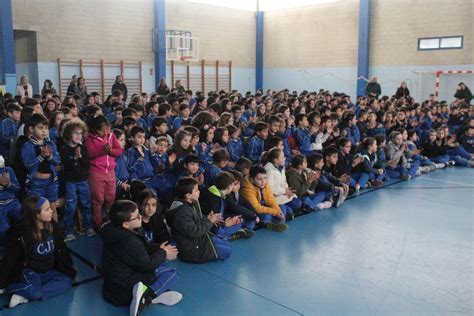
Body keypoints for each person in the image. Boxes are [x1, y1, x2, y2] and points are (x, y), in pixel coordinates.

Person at [100, 200, 181, 316]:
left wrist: (160, 248)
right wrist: (163, 253)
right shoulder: (129, 240)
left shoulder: (114, 231)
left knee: (161, 266)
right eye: (137, 216)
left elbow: (143, 247)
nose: (140, 217)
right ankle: (146, 297)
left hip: (113, 287)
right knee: (173, 274)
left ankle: (148, 295)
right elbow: (146, 266)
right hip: (123, 290)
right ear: (126, 224)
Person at [0, 196, 76, 308]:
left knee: (67, 281)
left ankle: (26, 294)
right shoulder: (24, 234)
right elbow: (11, 260)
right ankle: (15, 288)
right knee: (34, 288)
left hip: (48, 271)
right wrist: (3, 282)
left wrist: (69, 267)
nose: (52, 211)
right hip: (30, 272)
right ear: (36, 215)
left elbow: (62, 249)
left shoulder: (52, 226)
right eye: (47, 209)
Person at [166, 177, 231, 263]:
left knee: (227, 245)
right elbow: (194, 231)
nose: (199, 192)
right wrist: (210, 221)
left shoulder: (188, 204)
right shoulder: (182, 211)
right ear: (188, 195)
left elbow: (195, 219)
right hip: (192, 248)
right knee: (227, 251)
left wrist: (207, 218)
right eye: (196, 190)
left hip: (197, 240)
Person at [84, 115, 123, 230]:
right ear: (95, 130)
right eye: (102, 130)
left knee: (111, 198)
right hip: (96, 173)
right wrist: (102, 150)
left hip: (110, 172)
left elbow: (119, 151)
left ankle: (110, 221)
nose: (106, 132)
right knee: (97, 200)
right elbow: (89, 154)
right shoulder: (89, 139)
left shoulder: (112, 136)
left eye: (108, 129)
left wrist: (110, 150)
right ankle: (97, 224)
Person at [59, 119, 95, 241]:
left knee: (86, 204)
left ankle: (88, 227)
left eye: (80, 133)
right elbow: (67, 166)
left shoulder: (83, 148)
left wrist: (80, 158)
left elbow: (86, 164)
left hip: (83, 180)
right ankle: (68, 231)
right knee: (71, 207)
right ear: (69, 134)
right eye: (75, 133)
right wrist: (75, 158)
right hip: (71, 182)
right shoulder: (64, 149)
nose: (78, 136)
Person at [21, 113, 61, 221]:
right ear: (31, 128)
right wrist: (41, 156)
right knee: (38, 211)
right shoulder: (27, 146)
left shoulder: (51, 144)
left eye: (46, 128)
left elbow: (57, 161)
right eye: (40, 128)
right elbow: (28, 166)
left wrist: (49, 156)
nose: (44, 131)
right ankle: (41, 235)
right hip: (36, 184)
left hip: (52, 182)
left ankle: (56, 234)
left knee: (52, 208)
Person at [240, 166, 288, 232]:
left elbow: (270, 199)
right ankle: (270, 223)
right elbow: (256, 208)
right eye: (259, 179)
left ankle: (270, 223)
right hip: (253, 210)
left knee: (282, 207)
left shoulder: (264, 183)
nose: (263, 181)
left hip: (263, 206)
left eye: (265, 178)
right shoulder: (246, 188)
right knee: (266, 216)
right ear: (252, 180)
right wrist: (275, 212)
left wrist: (278, 210)